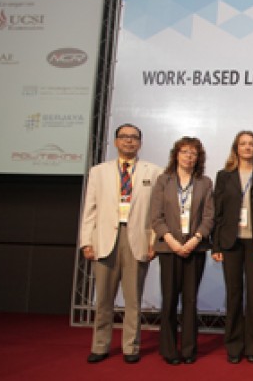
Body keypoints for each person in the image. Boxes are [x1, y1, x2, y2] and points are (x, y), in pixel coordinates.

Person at [80, 123, 162, 364]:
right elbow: (90, 210)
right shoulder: (99, 171)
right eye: (124, 137)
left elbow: (156, 212)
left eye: (134, 137)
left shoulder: (153, 172)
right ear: (115, 142)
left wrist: (153, 242)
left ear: (140, 143)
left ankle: (131, 347)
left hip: (137, 239)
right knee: (104, 299)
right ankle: (100, 345)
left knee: (133, 299)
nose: (129, 141)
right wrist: (86, 241)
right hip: (105, 239)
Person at [150, 136, 214, 365]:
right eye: (185, 151)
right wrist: (172, 242)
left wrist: (194, 240)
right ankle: (168, 349)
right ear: (176, 155)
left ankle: (188, 349)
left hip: (194, 249)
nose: (189, 156)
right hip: (169, 249)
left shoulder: (205, 182)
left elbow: (208, 217)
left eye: (194, 153)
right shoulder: (163, 181)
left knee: (190, 300)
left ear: (199, 158)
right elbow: (155, 217)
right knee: (169, 299)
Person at [212, 131, 253, 364]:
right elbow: (218, 212)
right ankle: (233, 345)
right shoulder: (224, 176)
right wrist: (216, 245)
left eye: (251, 144)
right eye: (243, 144)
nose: (247, 147)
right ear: (236, 148)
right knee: (234, 296)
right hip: (230, 242)